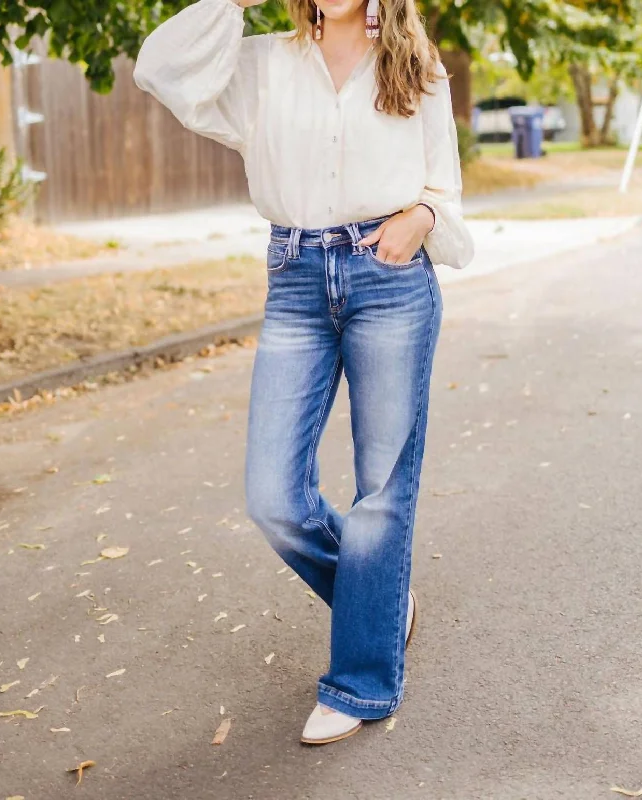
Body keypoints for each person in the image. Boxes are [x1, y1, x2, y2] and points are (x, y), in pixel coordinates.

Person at [134, 0, 474, 745]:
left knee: (382, 487)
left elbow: (442, 185)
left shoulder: (415, 66)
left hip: (389, 279)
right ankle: (380, 603)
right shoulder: (260, 62)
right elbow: (159, 68)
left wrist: (420, 216)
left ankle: (360, 684)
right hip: (294, 279)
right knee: (272, 497)